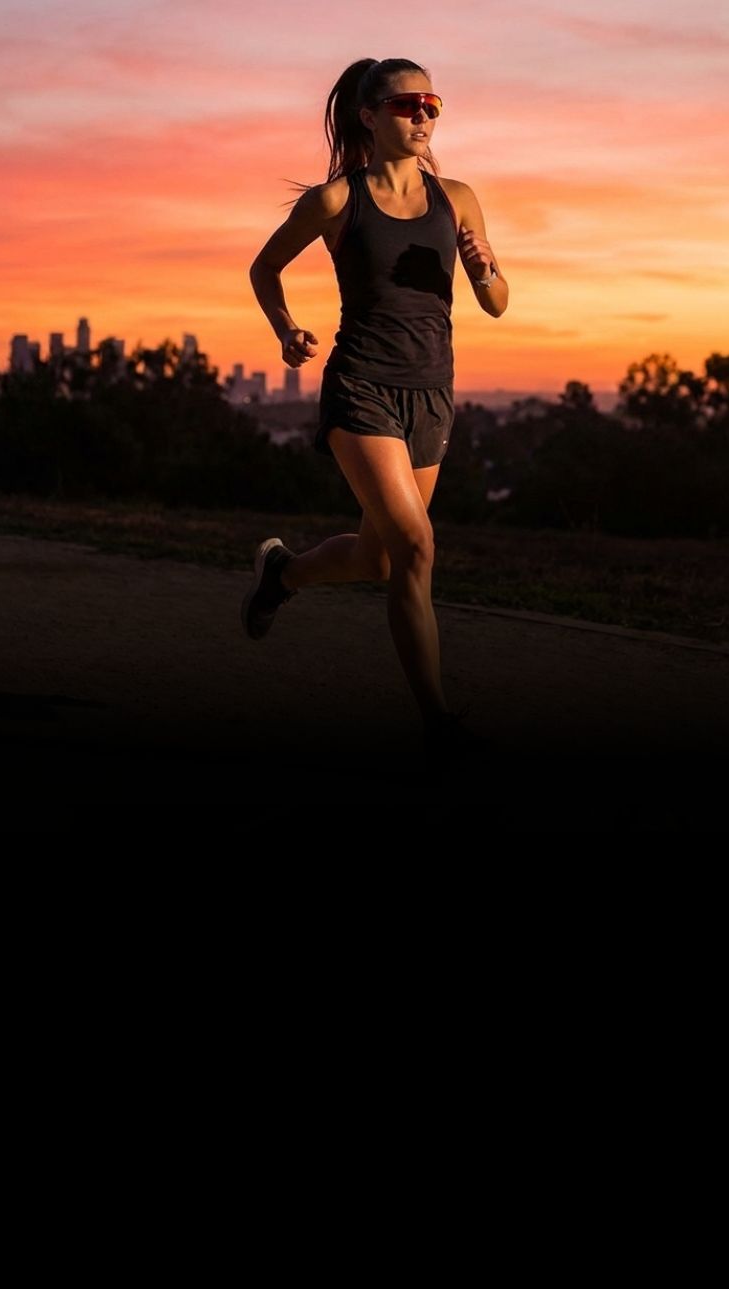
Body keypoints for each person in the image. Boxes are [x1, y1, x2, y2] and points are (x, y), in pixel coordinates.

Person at [243, 57, 508, 773]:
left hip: (431, 392)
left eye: (434, 103)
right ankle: (439, 725)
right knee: (418, 550)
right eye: (408, 104)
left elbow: (498, 301)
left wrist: (483, 267)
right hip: (361, 387)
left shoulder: (456, 198)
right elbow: (264, 268)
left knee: (382, 557)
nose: (425, 115)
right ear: (369, 115)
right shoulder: (337, 202)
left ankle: (284, 575)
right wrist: (285, 328)